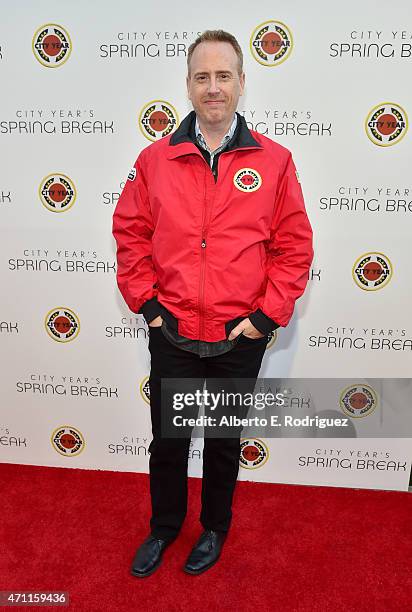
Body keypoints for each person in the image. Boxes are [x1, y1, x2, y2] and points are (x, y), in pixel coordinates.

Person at [112, 29, 313, 577]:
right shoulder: (155, 159)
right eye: (203, 77)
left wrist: (266, 317)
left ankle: (215, 528)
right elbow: (130, 233)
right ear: (188, 86)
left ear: (242, 83)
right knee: (169, 441)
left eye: (224, 75)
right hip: (173, 328)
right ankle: (164, 528)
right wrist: (149, 307)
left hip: (237, 334)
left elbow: (293, 246)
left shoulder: (275, 161)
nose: (213, 86)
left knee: (224, 443)